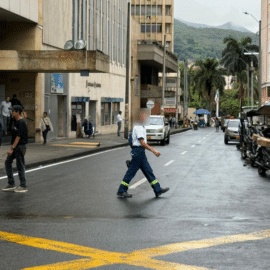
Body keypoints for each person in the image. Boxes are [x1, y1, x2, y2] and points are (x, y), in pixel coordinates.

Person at [116, 109, 169, 198]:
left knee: (148, 171)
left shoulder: (141, 126)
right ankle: (121, 190)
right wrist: (154, 150)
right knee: (131, 173)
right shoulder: (139, 127)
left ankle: (158, 190)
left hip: (140, 152)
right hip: (138, 152)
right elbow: (142, 142)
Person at [2, 105, 28, 193]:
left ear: (17, 112)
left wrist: (11, 148)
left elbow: (18, 137)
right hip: (16, 146)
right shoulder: (16, 121)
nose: (11, 112)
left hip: (20, 147)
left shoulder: (21, 122)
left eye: (12, 111)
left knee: (20, 165)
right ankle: (11, 183)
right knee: (8, 161)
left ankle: (23, 185)